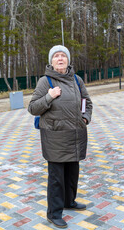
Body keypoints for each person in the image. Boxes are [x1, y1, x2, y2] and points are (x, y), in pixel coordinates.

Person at [28, 45, 93, 228]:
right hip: (55, 138)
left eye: (63, 55)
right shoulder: (45, 82)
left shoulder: (77, 80)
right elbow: (33, 108)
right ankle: (54, 214)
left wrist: (85, 119)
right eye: (56, 56)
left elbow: (87, 103)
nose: (60, 59)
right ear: (51, 61)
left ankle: (69, 202)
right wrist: (49, 97)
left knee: (72, 174)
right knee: (56, 179)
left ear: (68, 60)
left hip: (75, 136)